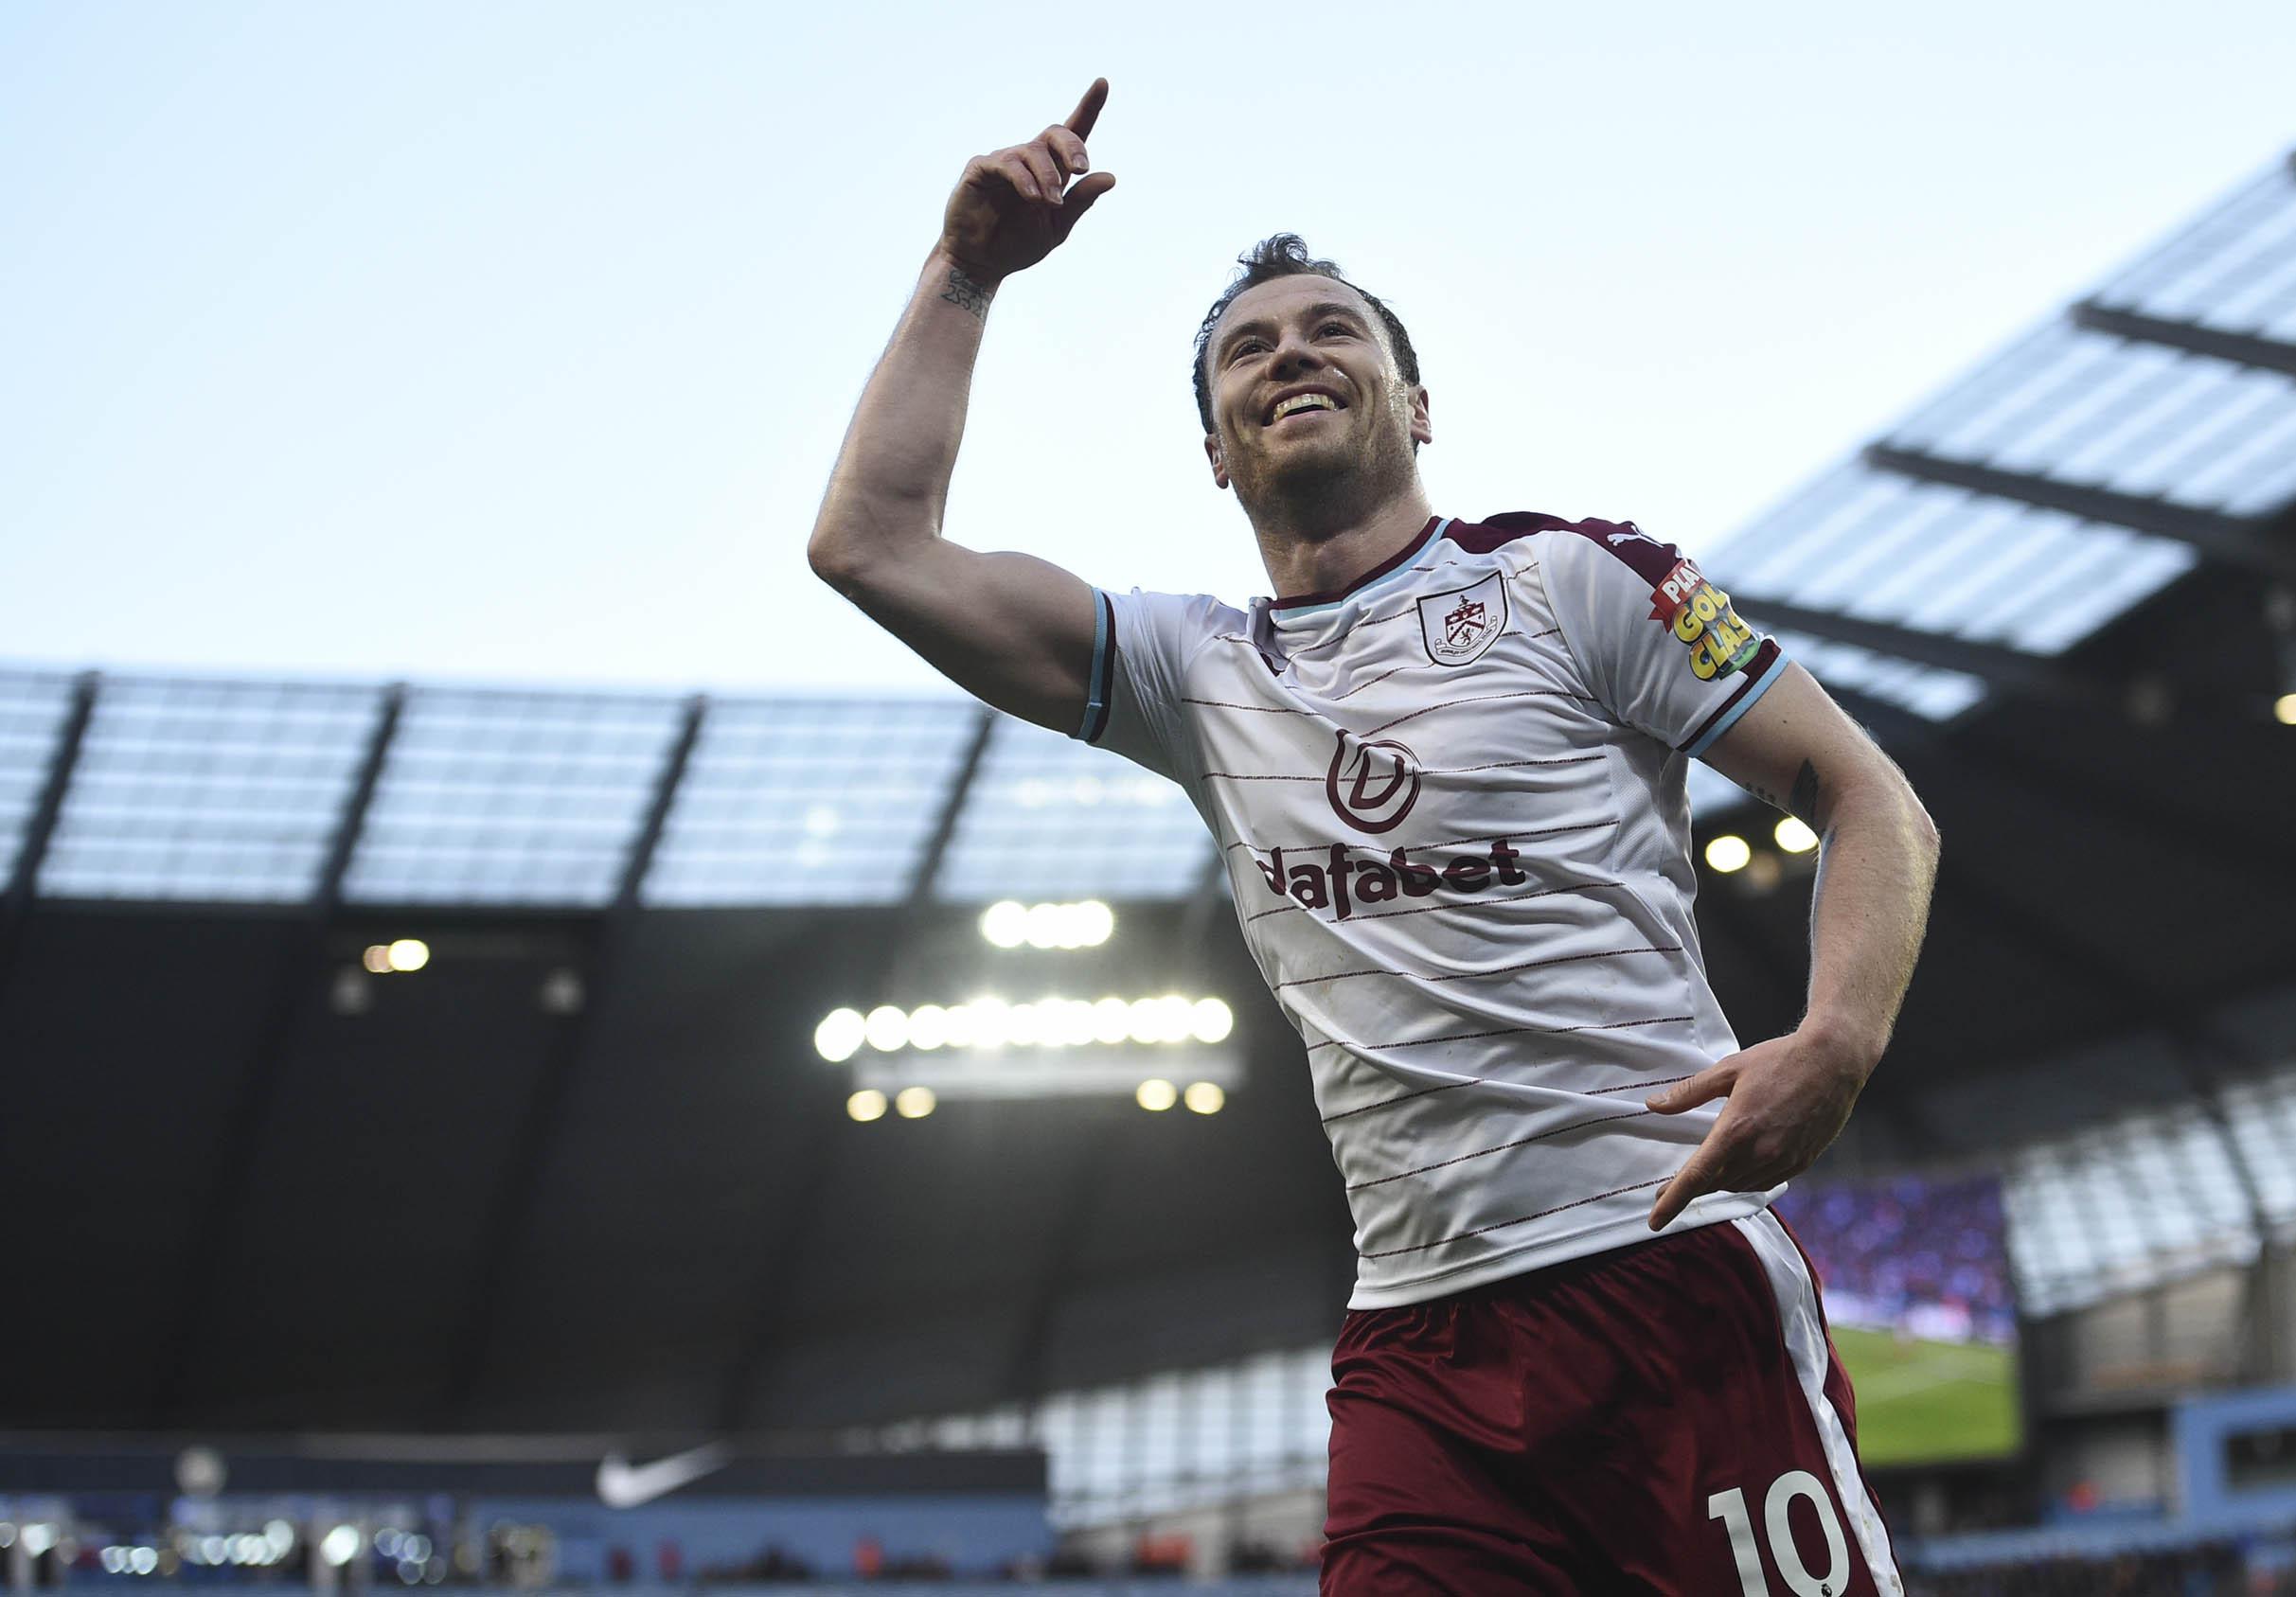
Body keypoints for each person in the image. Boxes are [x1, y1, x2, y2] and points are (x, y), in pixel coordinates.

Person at [808, 80, 1941, 1597]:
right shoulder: (1188, 672)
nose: (1289, 353)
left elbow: (1872, 797)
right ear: (1216, 450)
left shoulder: (1581, 583)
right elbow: (869, 545)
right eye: (1246, 348)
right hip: (1421, 1346)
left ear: (1417, 406)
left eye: (1333, 329)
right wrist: (967, 274)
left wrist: (1840, 1038)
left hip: (1661, 1270)